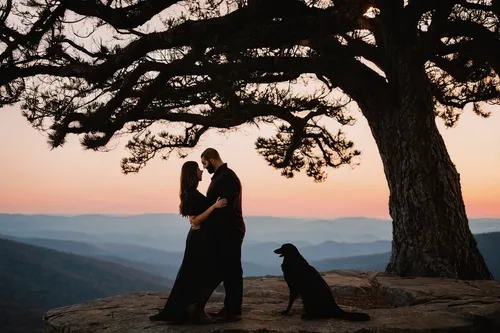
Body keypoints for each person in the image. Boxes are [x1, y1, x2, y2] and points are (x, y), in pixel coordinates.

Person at [149, 161, 226, 324]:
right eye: (199, 169)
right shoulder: (191, 194)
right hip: (198, 241)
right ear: (192, 173)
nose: (202, 171)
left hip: (199, 239)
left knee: (191, 275)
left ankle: (188, 308)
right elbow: (196, 221)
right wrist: (214, 207)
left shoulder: (191, 193)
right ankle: (194, 309)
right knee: (203, 274)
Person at [200, 148, 246, 323]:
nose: (204, 167)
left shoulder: (226, 177)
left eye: (204, 163)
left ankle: (233, 311)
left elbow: (225, 209)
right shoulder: (222, 175)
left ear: (211, 160)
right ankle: (231, 308)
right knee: (228, 269)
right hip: (227, 229)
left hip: (230, 230)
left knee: (232, 269)